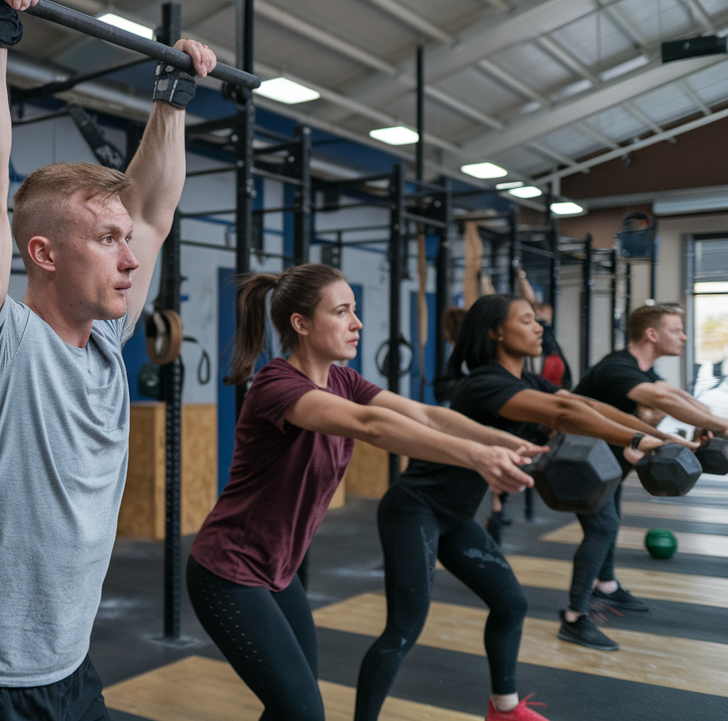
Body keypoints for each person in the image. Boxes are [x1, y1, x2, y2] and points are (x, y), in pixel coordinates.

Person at [0, 0, 218, 718]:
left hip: (66, 672)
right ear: (44, 254)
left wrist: (173, 98)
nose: (130, 259)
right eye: (106, 240)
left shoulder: (106, 343)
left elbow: (154, 212)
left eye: (124, 241)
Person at [186, 266, 543, 721]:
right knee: (303, 713)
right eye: (341, 312)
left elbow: (426, 415)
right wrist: (477, 457)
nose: (357, 323)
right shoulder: (277, 386)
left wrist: (506, 444)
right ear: (301, 324)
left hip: (278, 570)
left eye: (354, 310)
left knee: (289, 708)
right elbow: (369, 425)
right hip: (228, 570)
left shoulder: (343, 381)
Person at [354, 295, 687, 721]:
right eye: (527, 320)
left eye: (537, 320)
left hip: (456, 516)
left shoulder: (528, 381)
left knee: (511, 604)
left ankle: (505, 710)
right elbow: (564, 412)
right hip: (415, 509)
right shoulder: (485, 383)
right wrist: (640, 440)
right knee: (403, 629)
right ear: (496, 332)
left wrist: (663, 439)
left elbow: (586, 406)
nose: (538, 328)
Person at [564, 302, 727, 649]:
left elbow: (674, 395)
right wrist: (721, 423)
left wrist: (713, 422)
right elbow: (660, 397)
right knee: (603, 527)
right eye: (676, 330)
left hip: (605, 464)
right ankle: (574, 617)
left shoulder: (644, 371)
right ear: (652, 334)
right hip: (575, 463)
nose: (683, 337)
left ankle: (606, 586)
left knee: (611, 521)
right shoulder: (617, 368)